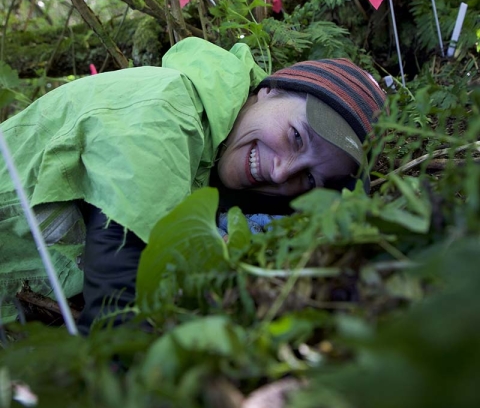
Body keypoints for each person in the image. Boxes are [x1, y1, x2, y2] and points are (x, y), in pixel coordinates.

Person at [0, 37, 387, 334]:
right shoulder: (169, 106)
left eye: (309, 178)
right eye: (297, 138)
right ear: (270, 89)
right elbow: (119, 297)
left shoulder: (220, 156)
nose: (283, 173)